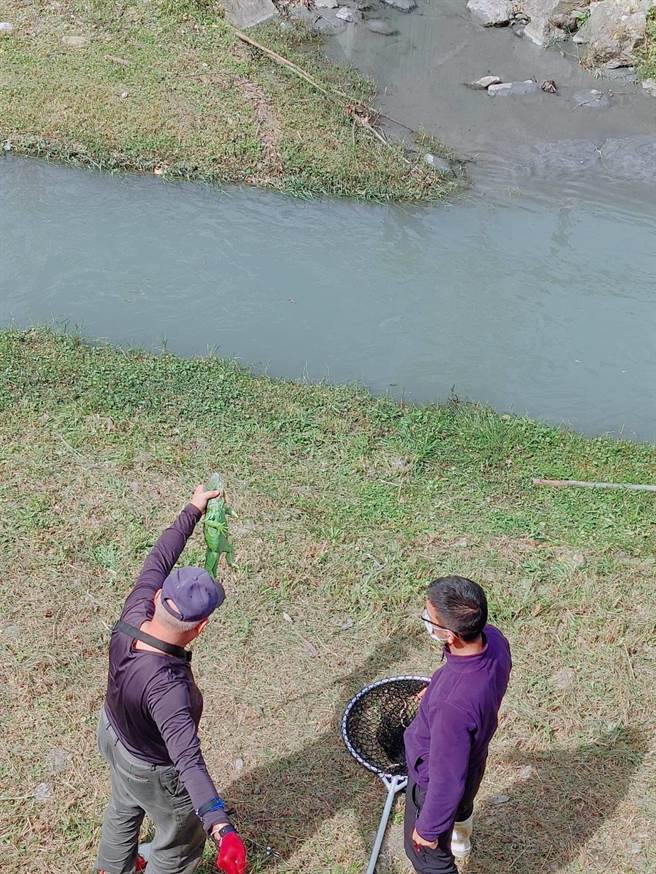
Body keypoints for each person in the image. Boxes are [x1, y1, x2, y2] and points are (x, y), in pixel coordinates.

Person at [96, 485, 247, 874]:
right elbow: (188, 761)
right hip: (151, 767)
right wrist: (221, 827)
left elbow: (159, 557)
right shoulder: (168, 690)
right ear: (201, 627)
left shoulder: (135, 611)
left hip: (112, 735)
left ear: (158, 596)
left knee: (123, 806)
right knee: (179, 844)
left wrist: (193, 508)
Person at [403, 575, 512, 874]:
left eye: (429, 617)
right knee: (462, 804)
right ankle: (460, 838)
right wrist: (439, 687)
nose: (426, 620)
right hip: (474, 759)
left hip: (433, 781)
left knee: (428, 859)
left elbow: (446, 780)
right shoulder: (494, 640)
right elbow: (465, 679)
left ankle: (444, 843)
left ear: (450, 635)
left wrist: (427, 829)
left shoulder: (451, 707)